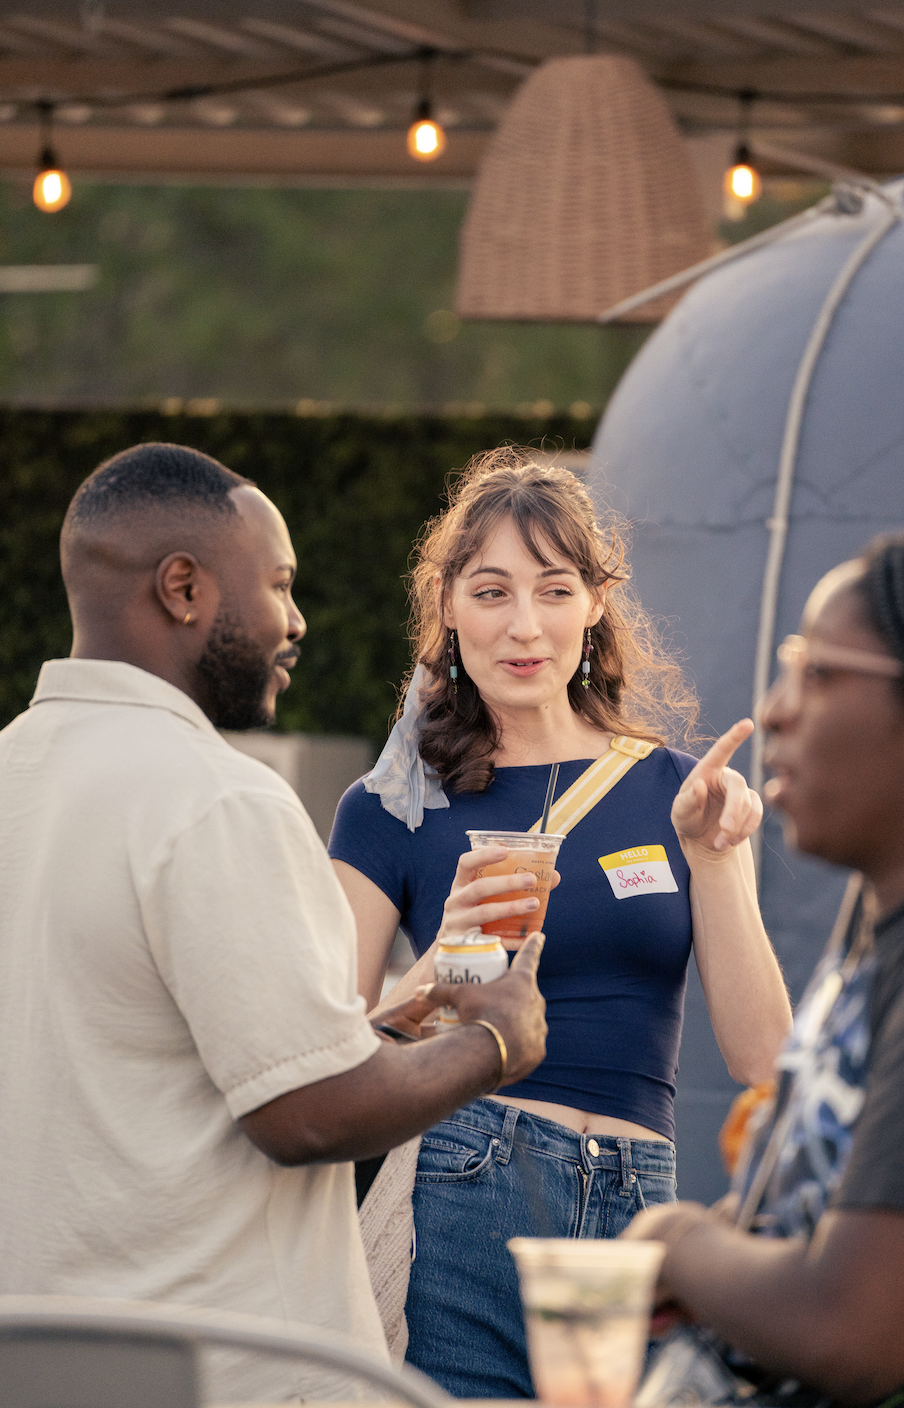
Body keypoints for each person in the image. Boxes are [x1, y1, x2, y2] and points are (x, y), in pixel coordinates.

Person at [0, 443, 547, 1405]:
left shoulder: (16, 775)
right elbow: (307, 1115)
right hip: (220, 1371)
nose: (296, 622)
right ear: (184, 588)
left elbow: (139, 1065)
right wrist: (496, 1040)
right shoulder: (216, 799)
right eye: (281, 586)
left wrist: (385, 1026)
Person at [329, 449, 792, 1399]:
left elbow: (764, 1058)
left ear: (596, 604)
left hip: (635, 1201)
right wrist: (442, 970)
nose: (524, 626)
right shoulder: (392, 807)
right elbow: (327, 1050)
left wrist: (715, 857)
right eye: (492, 592)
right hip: (463, 1180)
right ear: (449, 610)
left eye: (554, 589)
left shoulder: (677, 789)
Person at [626, 528, 904, 1408]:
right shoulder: (889, 914)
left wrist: (680, 1240)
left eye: (819, 674)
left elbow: (855, 1329)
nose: (778, 709)